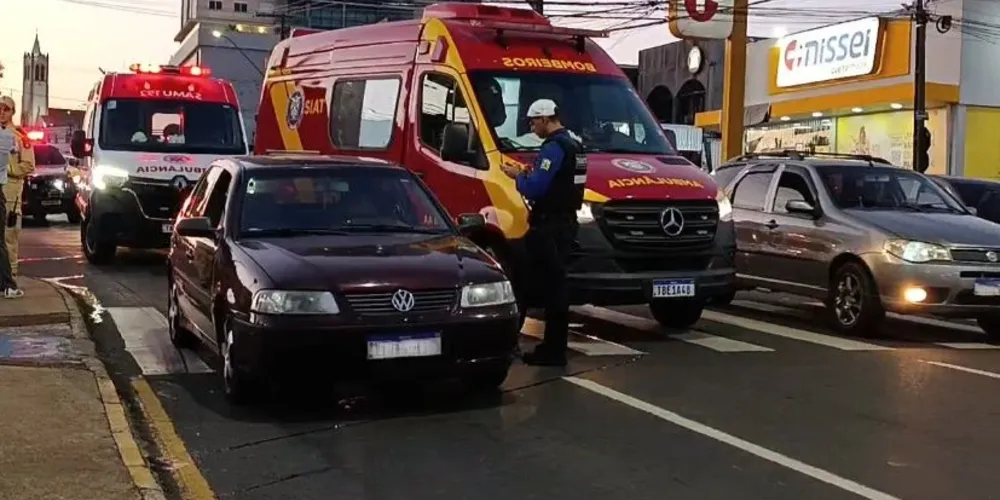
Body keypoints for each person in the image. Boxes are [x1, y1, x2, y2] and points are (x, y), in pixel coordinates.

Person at [500, 99, 586, 366]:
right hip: (567, 223)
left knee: (532, 284)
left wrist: (518, 177)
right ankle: (554, 347)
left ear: (546, 119)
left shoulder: (554, 147)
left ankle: (541, 348)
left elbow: (536, 188)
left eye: (533, 121)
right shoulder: (577, 145)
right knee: (557, 287)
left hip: (549, 226)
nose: (531, 126)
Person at [0, 96, 32, 297]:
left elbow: (28, 165)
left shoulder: (19, 137)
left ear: (12, 112)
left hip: (11, 195)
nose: (2, 112)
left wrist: (7, 168)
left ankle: (10, 280)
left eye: (6, 109)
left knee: (8, 238)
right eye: (0, 108)